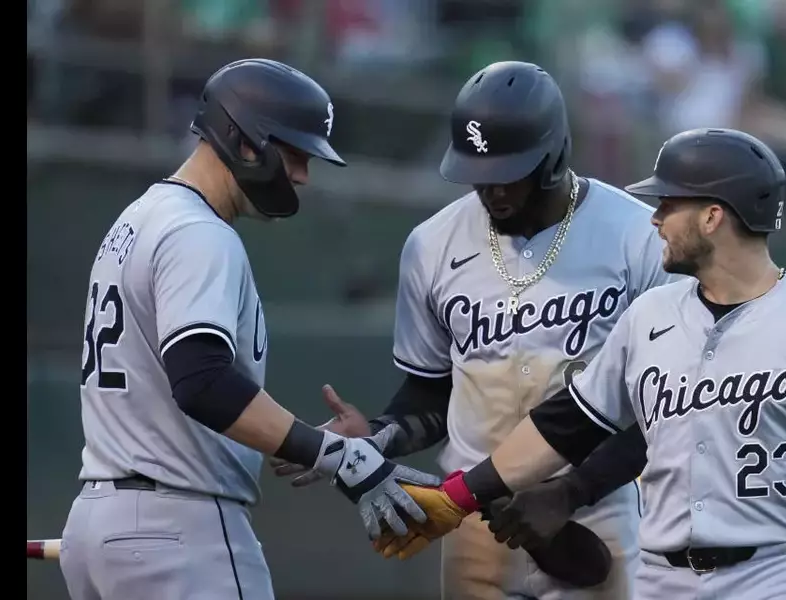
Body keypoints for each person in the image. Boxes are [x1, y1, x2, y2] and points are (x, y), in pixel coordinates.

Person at [368, 128, 786, 600]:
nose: (654, 217)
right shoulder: (649, 317)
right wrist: (455, 499)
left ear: (713, 218)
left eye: (670, 203)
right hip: (663, 581)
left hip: (777, 574)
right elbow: (565, 425)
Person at [272, 60, 680, 599]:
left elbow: (663, 408)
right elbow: (433, 389)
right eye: (477, 174)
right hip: (470, 513)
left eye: (508, 173)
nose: (491, 192)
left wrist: (570, 493)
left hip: (592, 509)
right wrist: (381, 434)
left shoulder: (637, 236)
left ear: (553, 156)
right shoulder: (432, 244)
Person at [57, 59, 440, 600]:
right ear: (244, 141)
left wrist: (293, 437)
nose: (303, 176)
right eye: (295, 155)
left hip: (103, 526)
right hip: (180, 531)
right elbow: (203, 381)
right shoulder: (198, 232)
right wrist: (339, 456)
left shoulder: (139, 217)